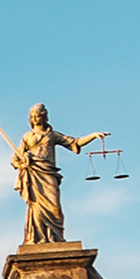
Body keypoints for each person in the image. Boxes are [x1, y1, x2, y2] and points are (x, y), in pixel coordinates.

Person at [11, 104, 107, 246]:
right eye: (33, 116)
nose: (36, 119)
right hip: (34, 173)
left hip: (48, 173)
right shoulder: (27, 137)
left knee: (55, 208)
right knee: (36, 206)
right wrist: (22, 162)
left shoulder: (52, 135)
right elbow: (15, 159)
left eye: (39, 115)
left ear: (44, 117)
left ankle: (56, 237)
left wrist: (93, 136)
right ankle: (38, 238)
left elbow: (75, 142)